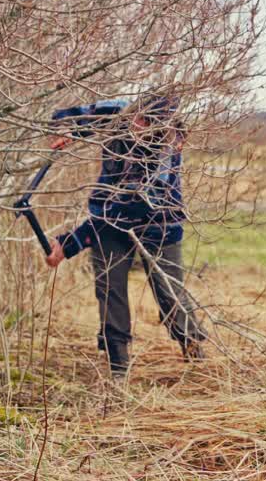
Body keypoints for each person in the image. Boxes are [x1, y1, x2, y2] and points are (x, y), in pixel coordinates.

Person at [45, 95, 207, 381]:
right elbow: (68, 114)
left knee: (168, 292)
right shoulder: (117, 112)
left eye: (146, 123)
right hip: (109, 220)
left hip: (158, 224)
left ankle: (191, 346)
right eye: (137, 116)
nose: (136, 124)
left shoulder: (168, 145)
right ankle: (118, 364)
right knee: (109, 289)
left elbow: (124, 209)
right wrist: (67, 129)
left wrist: (70, 244)